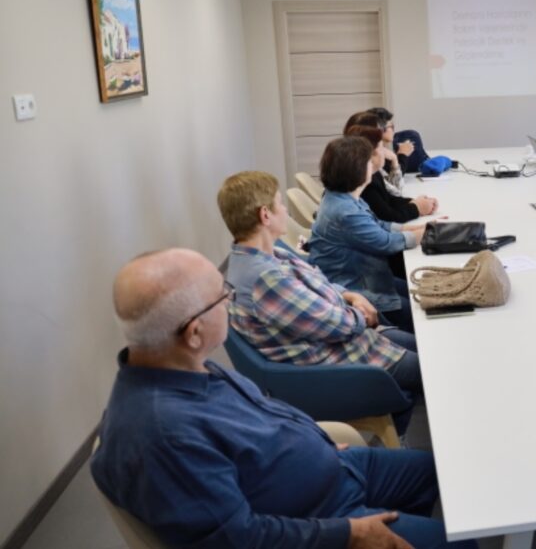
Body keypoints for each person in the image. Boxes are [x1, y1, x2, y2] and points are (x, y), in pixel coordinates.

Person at [92, 248, 475, 548]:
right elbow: (239, 539)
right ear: (194, 331)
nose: (230, 302)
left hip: (336, 467)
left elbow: (263, 410)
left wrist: (314, 440)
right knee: (456, 542)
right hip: (323, 518)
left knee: (447, 474)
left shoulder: (182, 364)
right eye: (223, 296)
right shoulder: (164, 436)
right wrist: (350, 534)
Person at [217, 171, 421, 393]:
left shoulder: (265, 255)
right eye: (280, 204)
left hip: (354, 342)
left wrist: (349, 295)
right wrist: (361, 314)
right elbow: (337, 326)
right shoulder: (265, 279)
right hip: (349, 363)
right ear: (265, 215)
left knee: (431, 348)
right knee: (437, 367)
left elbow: (317, 282)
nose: (285, 211)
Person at [309, 136, 425, 332]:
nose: (373, 164)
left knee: (421, 294)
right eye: (368, 162)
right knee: (421, 312)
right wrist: (425, 234)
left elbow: (377, 224)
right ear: (358, 170)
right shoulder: (345, 211)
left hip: (368, 276)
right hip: (358, 288)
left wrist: (413, 228)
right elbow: (386, 243)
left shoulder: (343, 196)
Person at [346, 123, 437, 223]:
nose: (385, 151)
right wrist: (416, 208)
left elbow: (388, 199)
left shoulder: (374, 173)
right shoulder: (366, 182)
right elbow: (387, 216)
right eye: (381, 147)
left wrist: (415, 203)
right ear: (371, 153)